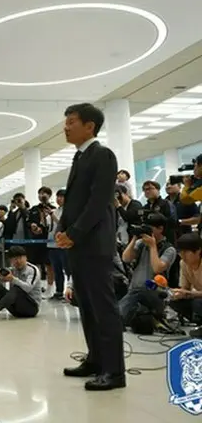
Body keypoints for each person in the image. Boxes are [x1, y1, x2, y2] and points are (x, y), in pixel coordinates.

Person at [56, 102, 125, 391]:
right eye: (66, 121)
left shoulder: (103, 155)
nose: (66, 126)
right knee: (85, 305)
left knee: (103, 307)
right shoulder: (79, 157)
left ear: (89, 126)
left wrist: (74, 232)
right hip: (78, 244)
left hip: (94, 243)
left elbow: (98, 202)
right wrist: (63, 231)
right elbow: (74, 203)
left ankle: (115, 372)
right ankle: (95, 360)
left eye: (72, 121)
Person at [119, 213, 175, 326]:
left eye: (149, 228)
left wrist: (153, 246)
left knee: (140, 290)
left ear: (160, 229)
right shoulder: (141, 244)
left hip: (157, 295)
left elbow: (157, 268)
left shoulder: (169, 249)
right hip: (134, 292)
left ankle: (116, 319)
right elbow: (126, 258)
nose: (146, 231)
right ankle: (119, 317)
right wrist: (135, 237)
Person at [170, 233, 202, 328]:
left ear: (198, 251)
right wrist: (178, 294)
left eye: (186, 252)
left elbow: (188, 292)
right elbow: (184, 287)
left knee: (198, 303)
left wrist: (189, 293)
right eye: (180, 252)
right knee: (175, 302)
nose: (183, 255)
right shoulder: (183, 263)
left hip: (198, 298)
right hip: (197, 296)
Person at [47, 189, 70, 300]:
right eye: (57, 197)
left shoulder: (69, 211)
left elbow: (63, 224)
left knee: (68, 269)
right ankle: (59, 291)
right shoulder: (55, 211)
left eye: (61, 197)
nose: (58, 199)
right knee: (56, 269)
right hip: (52, 245)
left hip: (64, 245)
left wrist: (53, 216)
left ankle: (70, 292)